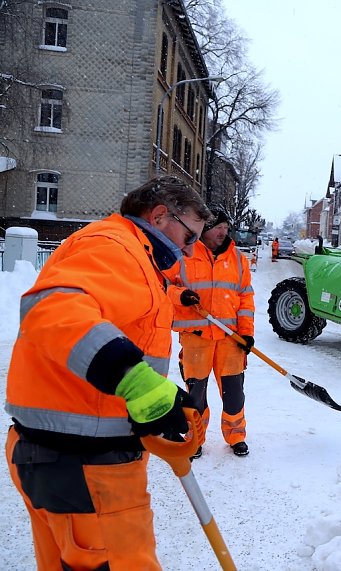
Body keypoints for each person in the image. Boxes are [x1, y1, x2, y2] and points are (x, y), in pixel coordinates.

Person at [4, 175, 210, 570]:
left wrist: (147, 409)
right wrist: (138, 385)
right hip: (85, 465)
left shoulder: (132, 254)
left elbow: (121, 313)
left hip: (64, 456)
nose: (190, 249)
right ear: (161, 215)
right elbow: (53, 310)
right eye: (189, 238)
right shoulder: (113, 247)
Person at [166, 208, 255, 458]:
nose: (223, 232)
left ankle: (236, 435)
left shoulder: (237, 259)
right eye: (218, 227)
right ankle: (195, 438)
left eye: (226, 228)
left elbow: (246, 298)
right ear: (204, 230)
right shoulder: (184, 256)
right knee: (196, 393)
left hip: (231, 340)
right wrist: (180, 295)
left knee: (234, 392)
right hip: (196, 337)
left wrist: (246, 333)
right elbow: (164, 286)